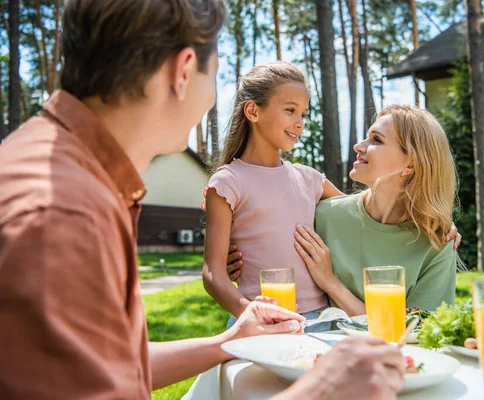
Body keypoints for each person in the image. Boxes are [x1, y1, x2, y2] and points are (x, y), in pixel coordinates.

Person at [0, 0, 406, 398]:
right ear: (182, 72)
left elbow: (107, 365)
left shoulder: (63, 177)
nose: (213, 99)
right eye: (213, 76)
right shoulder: (61, 211)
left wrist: (229, 340)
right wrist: (322, 390)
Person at [227, 106, 460, 314]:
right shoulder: (323, 215)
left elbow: (414, 334)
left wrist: (330, 282)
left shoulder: (436, 244)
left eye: (376, 140)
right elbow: (267, 249)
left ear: (410, 165)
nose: (359, 146)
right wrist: (237, 258)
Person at [201, 61, 344, 329]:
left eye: (303, 113)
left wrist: (431, 219)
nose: (299, 123)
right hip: (260, 324)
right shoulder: (228, 183)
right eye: (290, 110)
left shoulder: (310, 179)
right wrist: (254, 313)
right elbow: (213, 273)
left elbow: (365, 212)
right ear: (253, 111)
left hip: (321, 322)